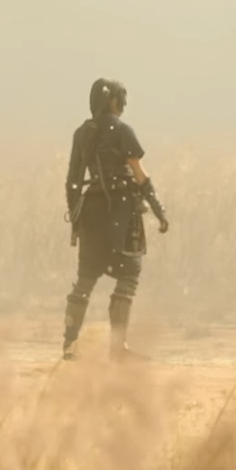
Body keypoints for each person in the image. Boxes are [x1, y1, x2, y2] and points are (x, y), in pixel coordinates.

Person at [63, 78, 170, 361]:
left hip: (90, 211)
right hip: (121, 213)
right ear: (114, 101)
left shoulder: (81, 134)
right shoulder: (123, 131)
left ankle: (69, 345)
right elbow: (138, 172)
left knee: (85, 279)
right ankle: (117, 348)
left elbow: (73, 181)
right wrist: (159, 208)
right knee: (129, 274)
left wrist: (76, 219)